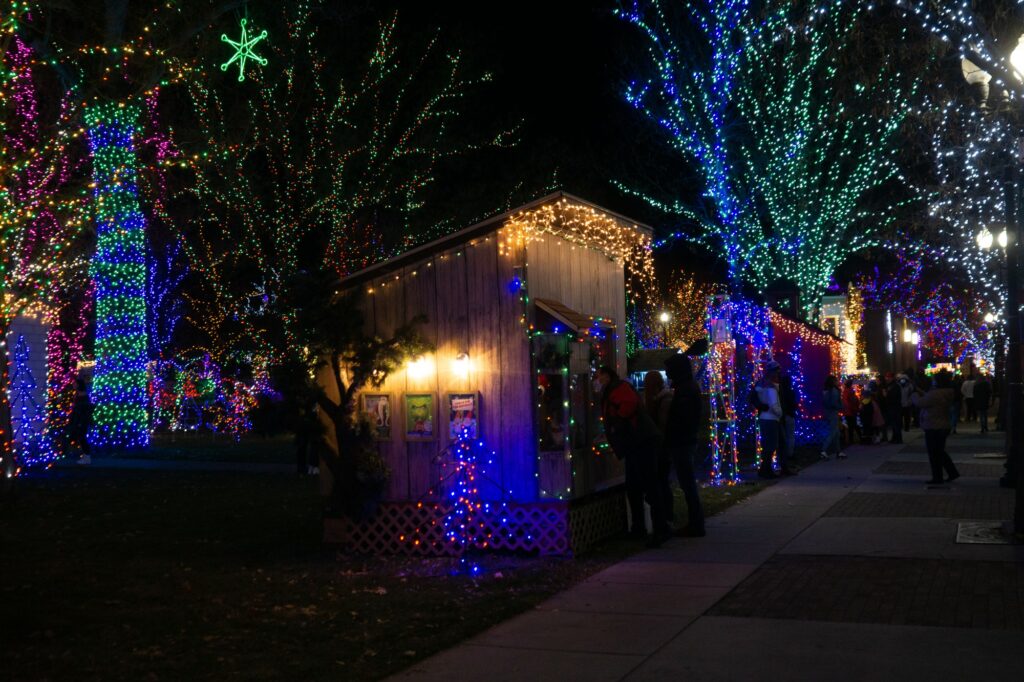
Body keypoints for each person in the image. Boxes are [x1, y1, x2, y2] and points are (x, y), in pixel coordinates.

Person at [595, 365, 668, 545]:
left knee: (648, 485)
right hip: (636, 442)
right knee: (634, 486)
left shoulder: (618, 389)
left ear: (608, 376)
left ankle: (659, 529)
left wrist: (617, 423)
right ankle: (640, 527)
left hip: (641, 442)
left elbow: (629, 405)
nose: (597, 380)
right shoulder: (614, 389)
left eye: (600, 376)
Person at [663, 354, 705, 537]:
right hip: (685, 440)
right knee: (687, 483)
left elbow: (682, 418)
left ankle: (696, 523)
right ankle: (695, 522)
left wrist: (671, 434)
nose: (667, 373)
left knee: (687, 483)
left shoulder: (685, 390)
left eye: (670, 369)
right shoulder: (687, 387)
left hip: (683, 441)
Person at [911, 371, 960, 485]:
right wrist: (919, 390)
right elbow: (930, 398)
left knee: (934, 453)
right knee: (940, 452)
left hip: (933, 425)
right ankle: (952, 472)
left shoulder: (936, 394)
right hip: (942, 424)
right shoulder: (946, 392)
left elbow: (920, 403)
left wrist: (914, 394)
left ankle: (938, 477)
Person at [644, 370, 675, 525]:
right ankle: (667, 513)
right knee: (662, 481)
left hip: (662, 446)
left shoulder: (664, 400)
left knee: (661, 481)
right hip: (662, 445)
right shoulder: (662, 399)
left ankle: (666, 514)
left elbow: (663, 425)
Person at [756, 361, 788, 478]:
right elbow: (774, 404)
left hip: (767, 418)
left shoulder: (762, 386)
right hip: (771, 418)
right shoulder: (771, 389)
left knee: (771, 445)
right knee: (771, 445)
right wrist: (780, 413)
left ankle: (766, 469)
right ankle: (766, 470)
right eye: (776, 371)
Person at [777, 368, 798, 474]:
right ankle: (790, 454)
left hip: (782, 416)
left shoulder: (779, 391)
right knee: (789, 436)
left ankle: (786, 455)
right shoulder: (789, 392)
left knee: (784, 437)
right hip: (788, 415)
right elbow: (793, 403)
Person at [69, 379, 93, 464]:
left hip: (81, 421)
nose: (73, 385)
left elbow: (83, 409)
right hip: (80, 420)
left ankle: (87, 457)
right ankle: (86, 456)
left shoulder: (82, 396)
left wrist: (79, 421)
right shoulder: (79, 395)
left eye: (75, 383)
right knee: (81, 437)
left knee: (82, 437)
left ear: (79, 385)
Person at [821, 375, 844, 459]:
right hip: (833, 413)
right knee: (833, 432)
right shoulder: (834, 391)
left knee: (836, 433)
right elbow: (834, 403)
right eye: (836, 380)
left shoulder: (826, 390)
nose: (838, 382)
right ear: (833, 382)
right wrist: (841, 406)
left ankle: (839, 451)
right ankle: (823, 450)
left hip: (827, 412)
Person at [884, 374, 903, 445]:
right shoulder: (891, 386)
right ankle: (895, 438)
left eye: (888, 377)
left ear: (892, 378)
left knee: (895, 423)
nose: (887, 379)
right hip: (893, 406)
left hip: (894, 407)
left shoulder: (894, 386)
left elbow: (894, 397)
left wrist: (886, 395)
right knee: (894, 423)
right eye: (886, 378)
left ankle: (898, 439)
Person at [842, 378, 861, 446]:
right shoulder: (850, 392)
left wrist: (850, 408)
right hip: (851, 411)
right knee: (853, 424)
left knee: (851, 425)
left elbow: (846, 402)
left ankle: (852, 439)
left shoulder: (846, 392)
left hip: (849, 411)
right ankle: (859, 437)